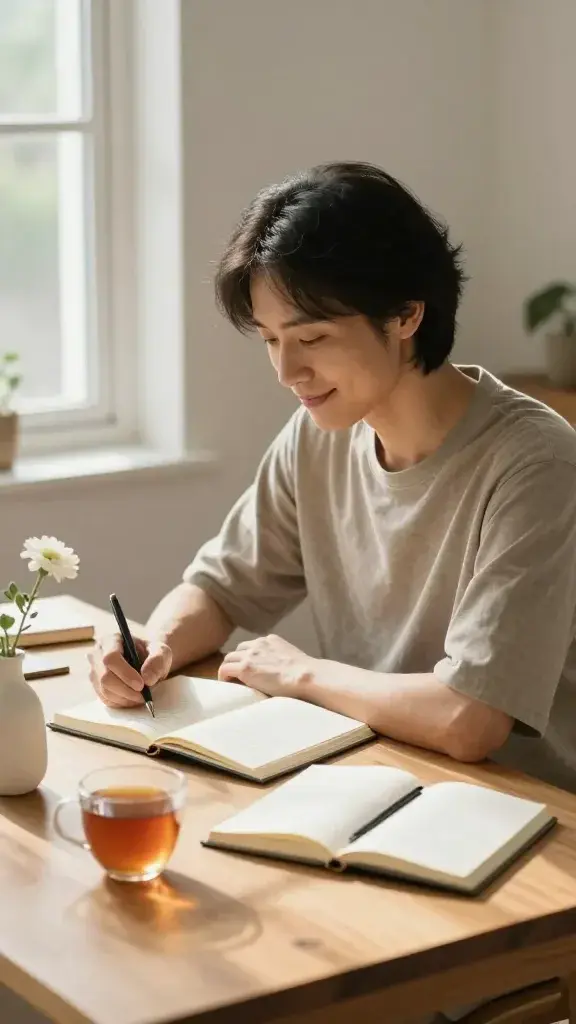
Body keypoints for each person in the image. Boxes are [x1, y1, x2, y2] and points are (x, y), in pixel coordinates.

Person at [90, 160, 576, 793]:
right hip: (379, 775)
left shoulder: (536, 464)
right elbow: (221, 588)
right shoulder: (320, 433)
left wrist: (303, 674)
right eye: (269, 339)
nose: (287, 371)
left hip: (527, 816)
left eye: (311, 338)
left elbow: (470, 718)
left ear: (405, 316)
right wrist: (153, 648)